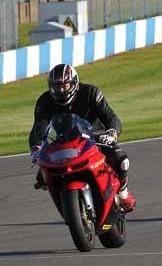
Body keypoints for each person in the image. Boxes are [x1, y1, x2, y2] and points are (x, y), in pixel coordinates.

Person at [29, 64, 136, 212]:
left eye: (65, 85)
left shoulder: (91, 92)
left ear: (74, 83)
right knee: (43, 174)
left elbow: (111, 117)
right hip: (62, 142)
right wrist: (36, 148)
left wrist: (111, 133)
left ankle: (123, 193)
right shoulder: (44, 101)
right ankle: (66, 202)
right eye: (57, 86)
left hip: (95, 136)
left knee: (121, 159)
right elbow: (38, 128)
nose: (61, 90)